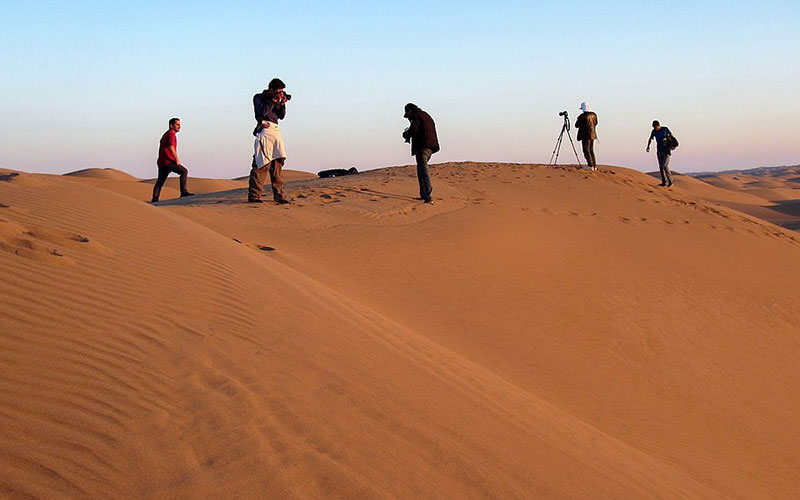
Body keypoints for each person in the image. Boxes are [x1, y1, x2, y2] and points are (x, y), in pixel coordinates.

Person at [249, 78, 290, 204]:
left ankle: (279, 196)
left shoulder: (276, 99)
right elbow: (262, 112)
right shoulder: (259, 98)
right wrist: (273, 100)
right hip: (264, 130)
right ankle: (254, 196)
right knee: (261, 164)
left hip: (275, 130)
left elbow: (281, 116)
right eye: (278, 91)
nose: (280, 93)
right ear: (271, 89)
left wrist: (282, 103)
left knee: (278, 164)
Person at [402, 103, 440, 204]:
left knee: (423, 171)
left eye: (407, 114)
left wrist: (406, 134)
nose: (408, 117)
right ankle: (424, 195)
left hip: (422, 146)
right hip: (430, 147)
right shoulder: (426, 115)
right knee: (421, 170)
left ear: (410, 111)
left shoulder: (416, 115)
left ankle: (428, 196)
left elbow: (414, 129)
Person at [152, 118, 193, 203]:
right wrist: (177, 159)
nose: (179, 126)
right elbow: (171, 147)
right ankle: (184, 192)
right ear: (171, 125)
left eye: (179, 124)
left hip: (162, 162)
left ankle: (155, 199)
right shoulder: (171, 134)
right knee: (184, 171)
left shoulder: (166, 134)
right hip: (168, 162)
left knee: (160, 181)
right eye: (177, 125)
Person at [646, 120, 674, 187]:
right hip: (659, 151)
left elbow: (672, 136)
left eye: (655, 127)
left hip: (666, 151)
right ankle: (664, 182)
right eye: (654, 127)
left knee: (664, 166)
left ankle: (670, 182)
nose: (655, 128)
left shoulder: (665, 129)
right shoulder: (654, 131)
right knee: (661, 167)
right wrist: (648, 146)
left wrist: (671, 145)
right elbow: (650, 139)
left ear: (658, 125)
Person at [575, 102, 598, 170]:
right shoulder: (594, 115)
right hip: (592, 134)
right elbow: (596, 123)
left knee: (586, 150)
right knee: (591, 150)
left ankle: (590, 165)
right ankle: (594, 165)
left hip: (585, 135)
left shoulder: (582, 116)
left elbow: (576, 125)